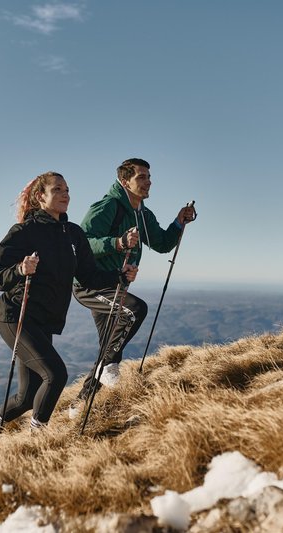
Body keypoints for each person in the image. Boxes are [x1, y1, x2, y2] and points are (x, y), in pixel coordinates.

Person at [0, 171, 138, 444]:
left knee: (27, 397)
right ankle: (37, 441)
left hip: (44, 322)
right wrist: (19, 269)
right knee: (56, 374)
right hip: (17, 317)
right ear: (41, 197)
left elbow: (88, 276)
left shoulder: (73, 234)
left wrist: (119, 277)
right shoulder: (24, 232)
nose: (66, 194)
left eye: (67, 189)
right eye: (58, 189)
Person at [69, 158, 196, 415]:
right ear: (125, 181)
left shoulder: (142, 214)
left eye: (149, 177)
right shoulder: (108, 207)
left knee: (110, 346)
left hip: (115, 286)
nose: (148, 182)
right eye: (142, 177)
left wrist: (178, 222)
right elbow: (81, 243)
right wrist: (117, 243)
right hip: (90, 285)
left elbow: (161, 243)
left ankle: (78, 407)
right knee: (135, 310)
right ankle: (105, 370)